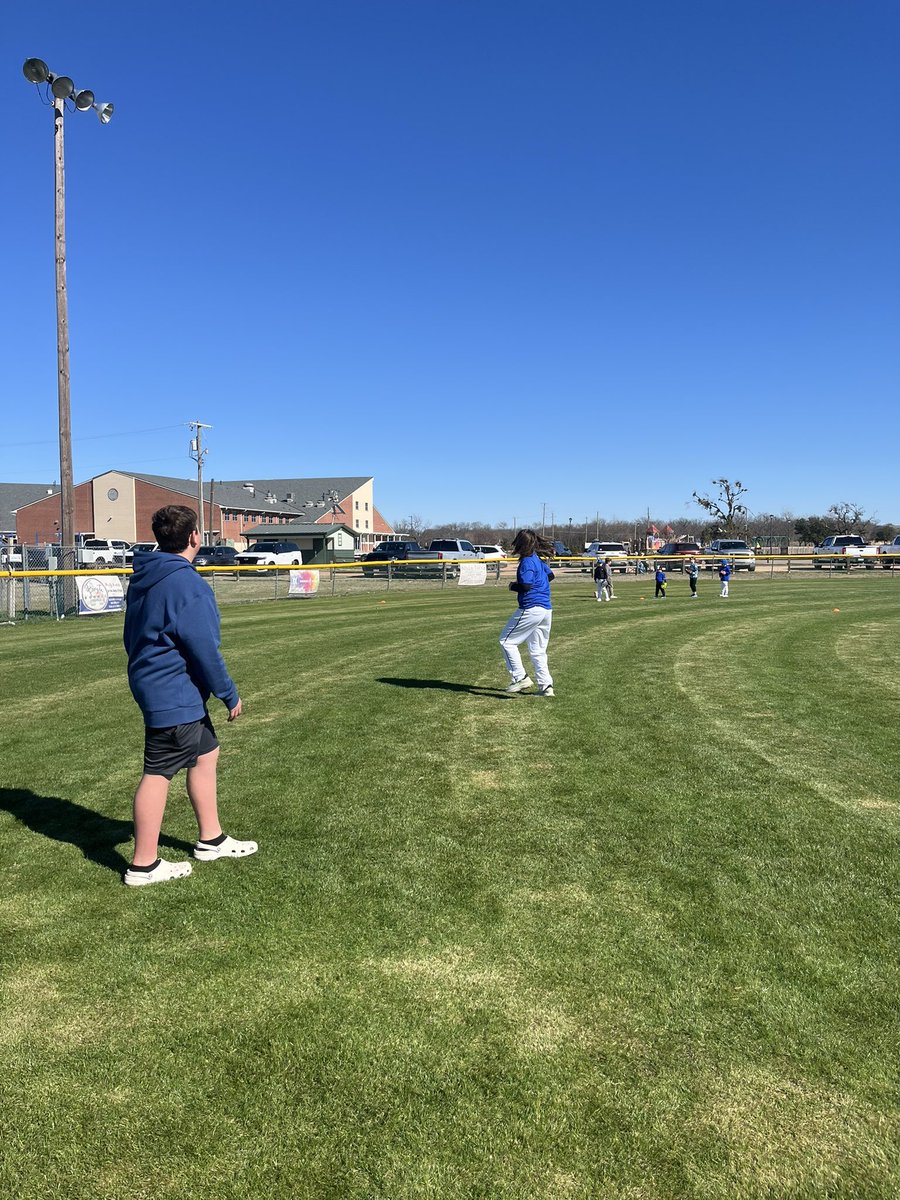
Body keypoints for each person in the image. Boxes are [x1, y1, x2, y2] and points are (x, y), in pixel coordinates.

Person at [122, 505, 257, 886]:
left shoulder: (145, 575)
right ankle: (143, 864)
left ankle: (210, 839)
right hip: (171, 689)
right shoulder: (187, 584)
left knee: (205, 752)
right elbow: (204, 648)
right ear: (194, 537)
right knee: (158, 771)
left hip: (155, 682)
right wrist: (228, 694)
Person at [500, 529, 555, 697]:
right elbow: (551, 576)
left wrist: (511, 586)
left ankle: (520, 677)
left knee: (506, 642)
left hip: (532, 608)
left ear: (521, 543)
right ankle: (546, 687)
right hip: (546, 609)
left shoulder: (527, 562)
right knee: (538, 650)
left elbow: (525, 586)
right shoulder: (537, 560)